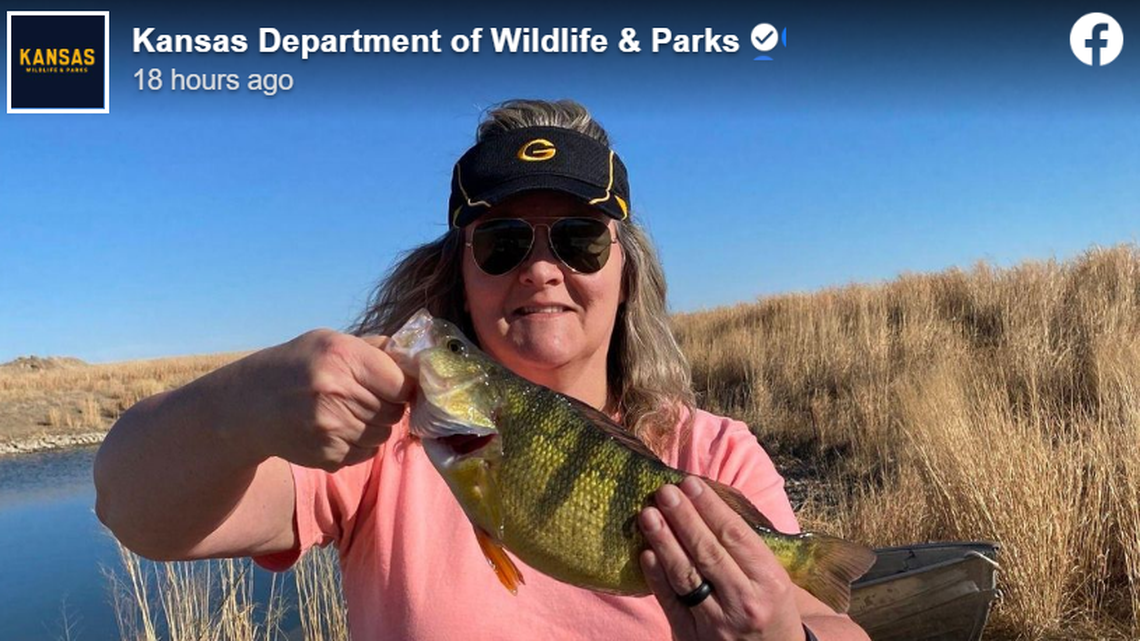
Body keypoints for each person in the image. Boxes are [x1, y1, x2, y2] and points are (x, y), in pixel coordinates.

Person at [94, 99, 869, 641]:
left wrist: (777, 635)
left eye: (578, 240)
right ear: (457, 273)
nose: (541, 270)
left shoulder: (712, 455)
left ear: (625, 271)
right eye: (501, 244)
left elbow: (836, 626)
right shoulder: (382, 447)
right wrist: (247, 402)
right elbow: (130, 506)